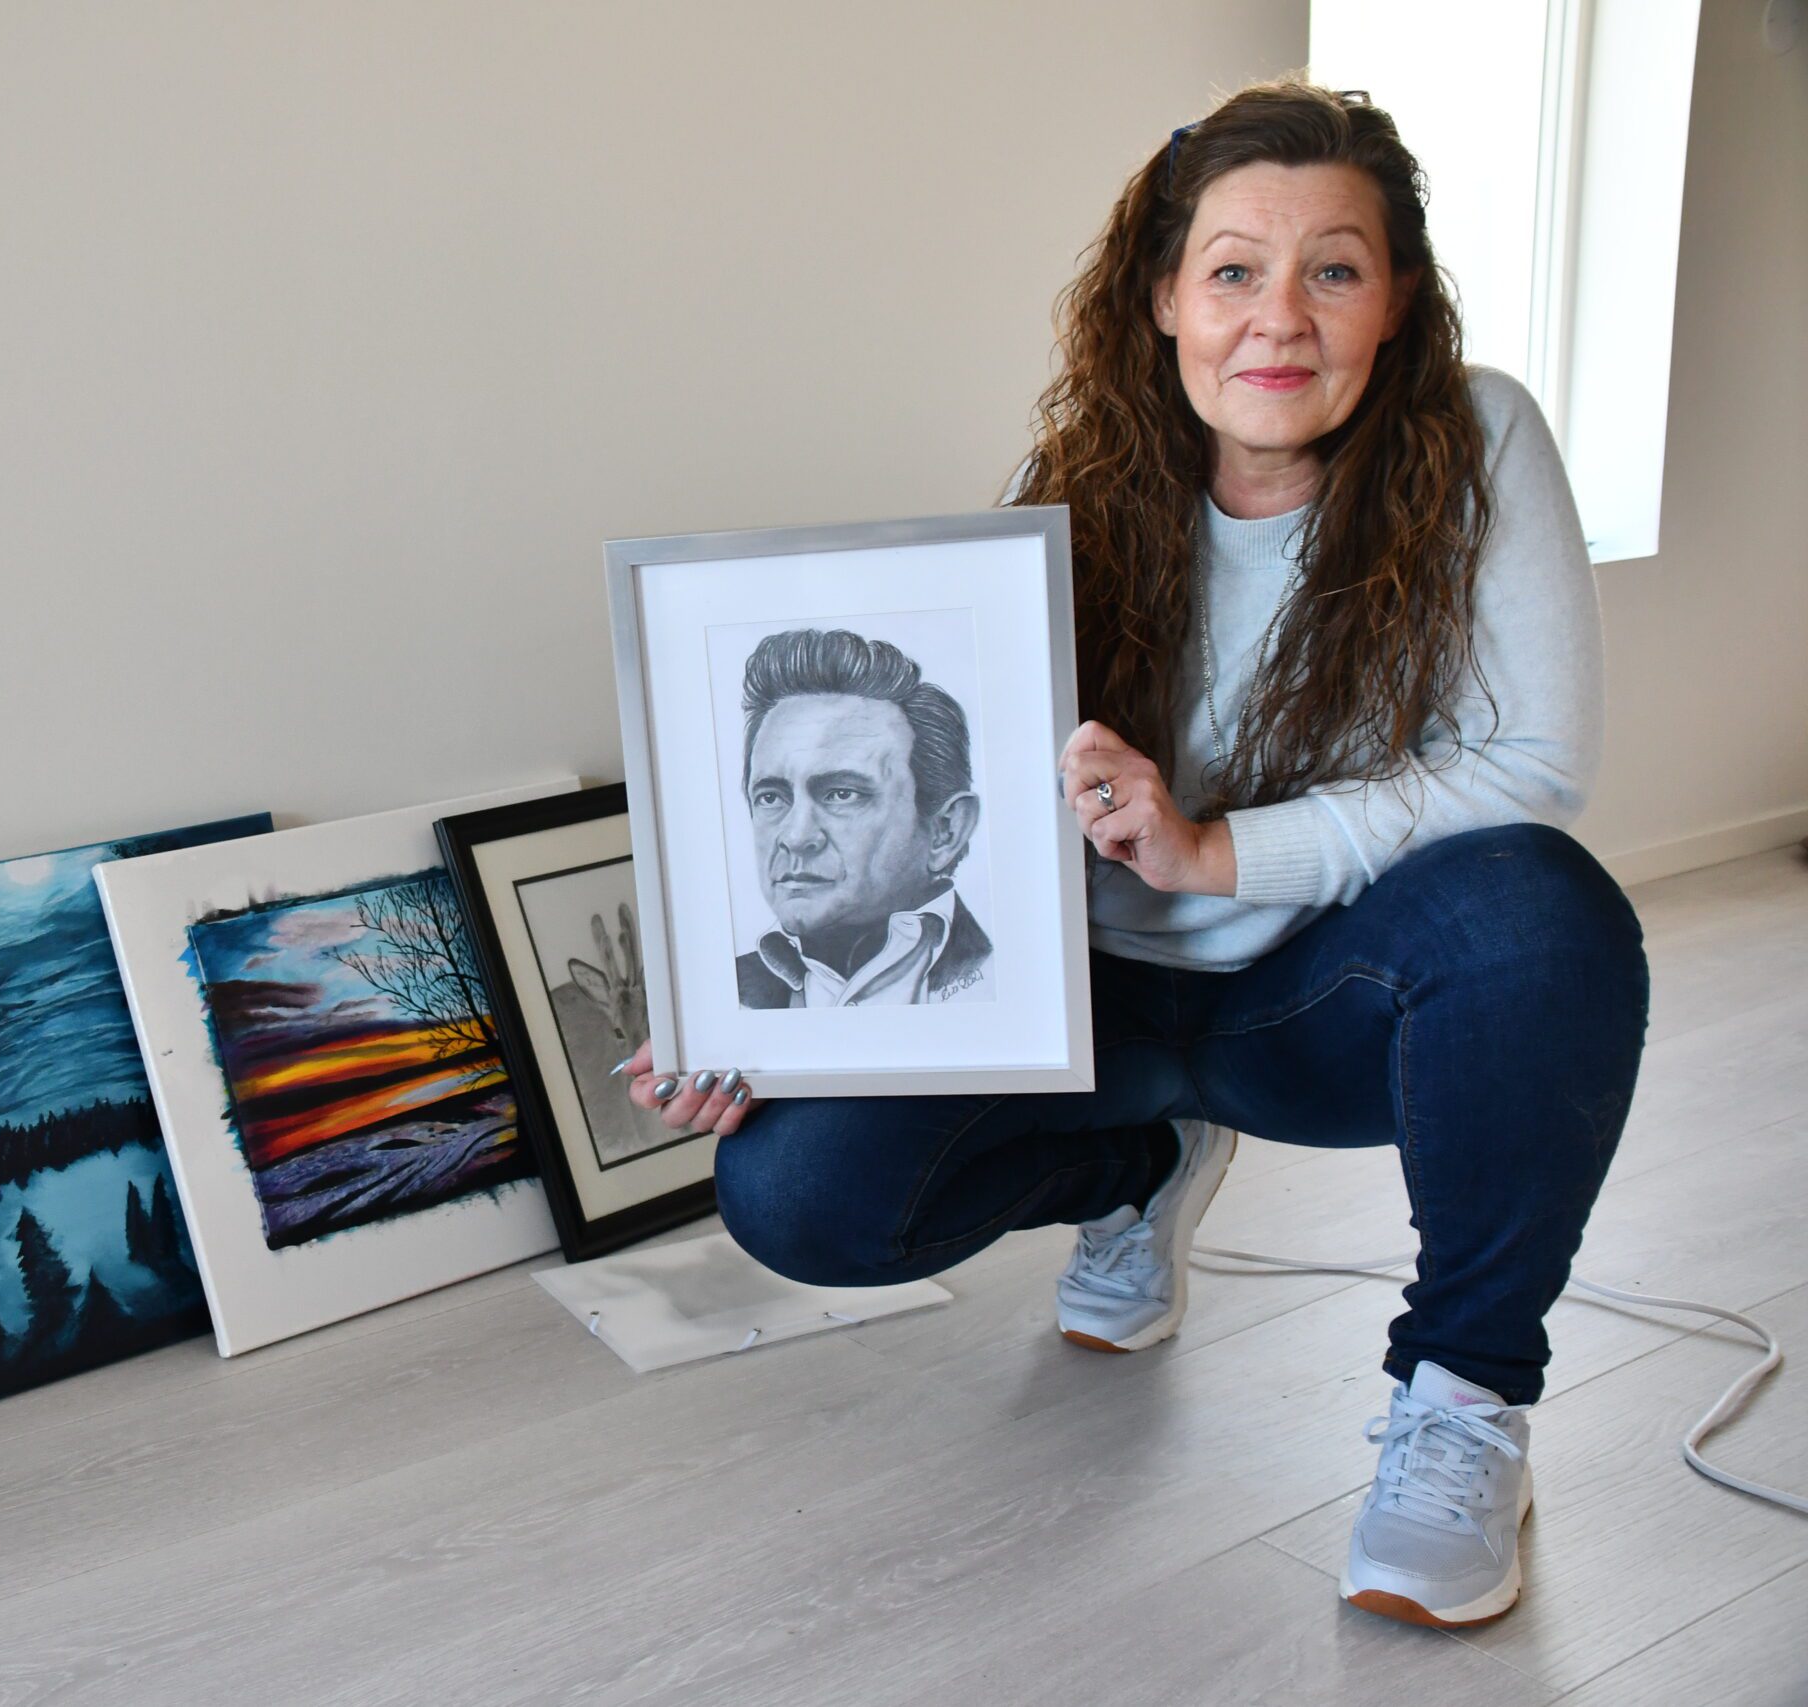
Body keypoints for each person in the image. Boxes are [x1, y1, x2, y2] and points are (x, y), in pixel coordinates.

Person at [623, 80, 1645, 1630]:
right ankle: (1144, 1168)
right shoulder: (1076, 491)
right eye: (1234, 269)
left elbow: (1535, 765)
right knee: (796, 1194)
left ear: (1397, 299)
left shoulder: (1478, 437)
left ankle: (1464, 1396)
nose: (1279, 318)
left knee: (1539, 910)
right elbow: (942, 824)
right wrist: (746, 1014)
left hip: (1312, 1003)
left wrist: (1213, 848)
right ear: (1165, 294)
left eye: (1335, 269)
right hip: (1080, 1012)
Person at [733, 627, 991, 1008]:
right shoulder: (723, 1000)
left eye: (842, 794)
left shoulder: (1013, 979)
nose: (796, 836)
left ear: (945, 830)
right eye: (771, 797)